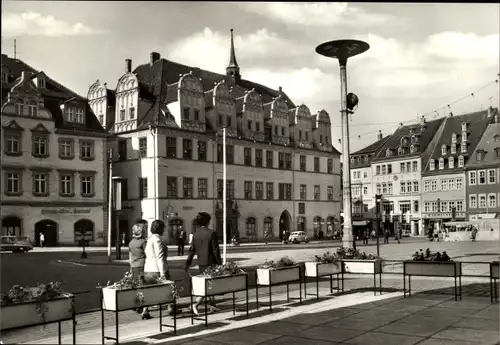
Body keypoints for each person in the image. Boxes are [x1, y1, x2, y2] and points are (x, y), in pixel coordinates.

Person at [185, 212, 221, 316]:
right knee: (208, 285)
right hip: (211, 263)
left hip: (201, 263)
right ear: (208, 222)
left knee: (207, 285)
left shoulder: (195, 234)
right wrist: (219, 264)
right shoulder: (211, 233)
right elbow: (215, 250)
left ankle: (211, 305)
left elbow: (192, 250)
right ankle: (195, 304)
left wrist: (188, 263)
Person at [144, 220, 174, 316]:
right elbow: (159, 256)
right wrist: (162, 273)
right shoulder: (157, 239)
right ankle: (170, 307)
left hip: (148, 268)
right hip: (157, 269)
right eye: (163, 228)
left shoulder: (149, 239)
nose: (164, 230)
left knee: (148, 290)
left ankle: (145, 310)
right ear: (159, 228)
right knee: (169, 288)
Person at [128, 222, 150, 319]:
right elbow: (148, 254)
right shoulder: (143, 242)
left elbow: (130, 255)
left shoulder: (131, 242)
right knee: (143, 286)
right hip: (142, 265)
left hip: (134, 266)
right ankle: (142, 306)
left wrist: (131, 266)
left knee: (137, 286)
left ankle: (137, 305)